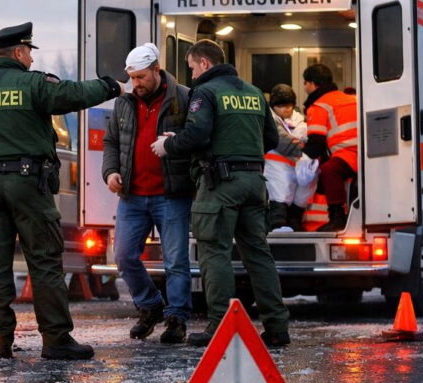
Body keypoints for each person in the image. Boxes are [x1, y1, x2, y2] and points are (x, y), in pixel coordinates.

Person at [0, 21, 122, 360]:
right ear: (17, 52)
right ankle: (56, 340)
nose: (30, 58)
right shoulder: (33, 84)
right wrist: (110, 86)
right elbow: (72, 95)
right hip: (28, 185)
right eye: (28, 52)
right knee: (43, 261)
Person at [153, 39, 289, 348]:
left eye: (191, 68)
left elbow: (198, 133)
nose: (191, 75)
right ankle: (277, 327)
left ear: (204, 63)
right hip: (255, 183)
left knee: (214, 252)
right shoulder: (254, 93)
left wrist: (169, 144)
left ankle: (221, 326)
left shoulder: (206, 92)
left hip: (220, 184)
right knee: (258, 254)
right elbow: (270, 137)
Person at [102, 43, 193, 344]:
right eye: (131, 78)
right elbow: (111, 143)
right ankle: (151, 305)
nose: (135, 84)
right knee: (124, 256)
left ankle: (177, 318)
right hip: (132, 195)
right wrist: (110, 172)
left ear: (156, 70)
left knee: (176, 261)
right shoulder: (124, 103)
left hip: (170, 194)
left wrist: (176, 142)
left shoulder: (183, 97)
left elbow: (197, 138)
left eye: (141, 77)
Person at [301, 64, 358, 232]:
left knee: (328, 170)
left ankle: (337, 217)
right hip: (367, 154)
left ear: (310, 84)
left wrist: (303, 160)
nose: (305, 87)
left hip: (347, 153)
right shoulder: (350, 98)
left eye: (305, 83)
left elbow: (316, 142)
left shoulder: (319, 106)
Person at [264, 84, 314, 231]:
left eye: (289, 105)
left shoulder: (300, 120)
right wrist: (307, 150)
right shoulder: (269, 120)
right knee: (278, 204)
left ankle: (294, 225)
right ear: (273, 106)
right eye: (280, 106)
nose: (285, 109)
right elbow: (282, 141)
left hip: (299, 172)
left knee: (298, 204)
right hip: (276, 171)